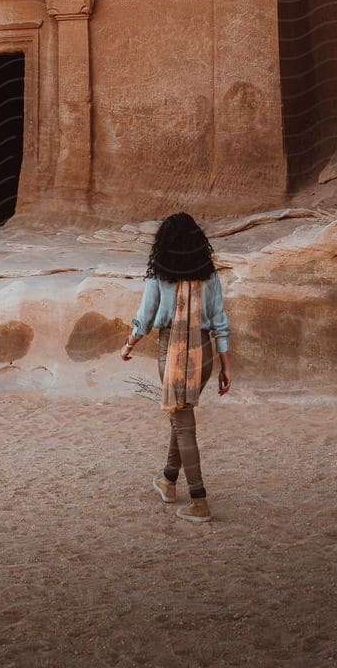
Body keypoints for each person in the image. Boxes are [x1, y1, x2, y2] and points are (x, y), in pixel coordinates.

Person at [120, 210, 231, 523]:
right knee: (179, 414)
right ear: (198, 242)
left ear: (164, 244)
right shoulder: (209, 275)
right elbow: (220, 321)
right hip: (205, 353)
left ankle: (199, 500)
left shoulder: (160, 274)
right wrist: (225, 365)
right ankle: (168, 480)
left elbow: (144, 317)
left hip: (174, 352)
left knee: (183, 422)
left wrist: (128, 345)